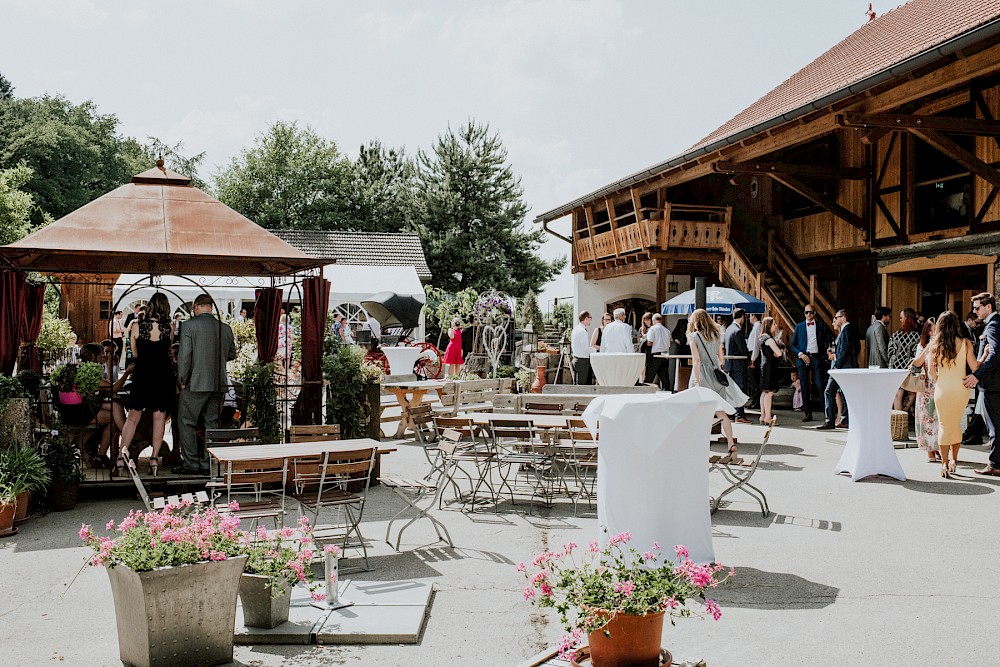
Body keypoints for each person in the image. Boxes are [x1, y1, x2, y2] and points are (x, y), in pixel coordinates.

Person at [176, 293, 237, 475]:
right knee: (212, 423)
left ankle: (191, 463)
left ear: (196, 307)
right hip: (219, 383)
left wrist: (182, 380)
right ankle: (207, 462)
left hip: (195, 383)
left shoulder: (188, 326)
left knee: (186, 421)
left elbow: (185, 356)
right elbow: (232, 354)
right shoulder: (225, 328)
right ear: (210, 307)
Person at [116, 292, 174, 477]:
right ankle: (154, 459)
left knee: (133, 417)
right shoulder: (169, 327)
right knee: (159, 417)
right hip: (162, 374)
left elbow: (135, 353)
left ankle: (120, 457)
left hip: (143, 373)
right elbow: (167, 350)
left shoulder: (136, 326)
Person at [688, 308, 747, 459]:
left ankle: (701, 448)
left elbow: (697, 360)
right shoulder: (716, 335)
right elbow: (721, 359)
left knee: (701, 413)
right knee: (721, 413)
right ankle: (730, 444)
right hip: (716, 375)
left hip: (702, 376)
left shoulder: (693, 337)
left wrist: (696, 380)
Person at [932, 311, 983, 478]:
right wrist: (985, 355)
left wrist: (941, 379)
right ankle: (954, 460)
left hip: (942, 388)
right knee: (956, 424)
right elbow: (975, 367)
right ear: (956, 325)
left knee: (944, 425)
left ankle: (944, 464)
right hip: (960, 389)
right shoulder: (966, 343)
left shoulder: (935, 344)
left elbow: (932, 372)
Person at [964, 292, 1000, 476]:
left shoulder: (993, 327)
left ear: (988, 307)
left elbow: (994, 356)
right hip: (994, 384)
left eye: (977, 308)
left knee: (994, 426)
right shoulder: (994, 325)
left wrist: (977, 376)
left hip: (993, 385)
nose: (975, 311)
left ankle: (995, 464)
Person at [790, 304, 830, 422]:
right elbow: (792, 345)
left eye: (811, 312)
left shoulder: (821, 326)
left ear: (815, 313)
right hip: (803, 357)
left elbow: (828, 340)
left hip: (816, 357)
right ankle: (808, 413)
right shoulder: (799, 326)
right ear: (804, 313)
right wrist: (801, 354)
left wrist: (824, 356)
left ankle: (827, 413)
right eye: (807, 312)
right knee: (804, 386)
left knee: (819, 385)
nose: (809, 315)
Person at [818, 309, 857, 430]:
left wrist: (836, 366)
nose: (834, 319)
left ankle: (829, 420)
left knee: (829, 391)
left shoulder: (846, 330)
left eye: (837, 317)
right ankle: (844, 418)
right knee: (845, 393)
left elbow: (844, 350)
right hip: (845, 366)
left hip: (842, 367)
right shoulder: (848, 330)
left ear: (843, 318)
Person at [911, 318, 940, 462]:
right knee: (927, 417)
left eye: (935, 329)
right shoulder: (922, 345)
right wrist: (928, 347)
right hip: (926, 386)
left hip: (939, 384)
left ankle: (938, 447)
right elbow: (916, 363)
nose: (933, 332)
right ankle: (930, 449)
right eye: (930, 329)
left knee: (938, 418)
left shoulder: (942, 344)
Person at [889, 308, 920, 411]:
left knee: (897, 395)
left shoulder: (895, 335)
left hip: (895, 368)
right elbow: (917, 354)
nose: (900, 320)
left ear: (907, 319)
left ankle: (898, 419)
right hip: (908, 368)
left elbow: (889, 351)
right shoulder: (916, 336)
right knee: (913, 392)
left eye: (901, 318)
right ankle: (904, 413)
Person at [724, 308, 751, 423]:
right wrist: (749, 359)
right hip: (738, 364)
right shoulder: (737, 331)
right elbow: (742, 349)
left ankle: (732, 413)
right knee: (740, 388)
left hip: (730, 364)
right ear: (742, 317)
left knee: (733, 389)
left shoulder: (729, 329)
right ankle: (739, 415)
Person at [758, 317, 783, 425]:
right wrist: (778, 351)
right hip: (770, 367)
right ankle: (768, 416)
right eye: (774, 324)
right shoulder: (769, 339)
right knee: (769, 392)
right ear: (769, 325)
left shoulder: (762, 337)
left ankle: (763, 415)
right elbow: (779, 353)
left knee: (764, 392)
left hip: (764, 365)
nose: (776, 325)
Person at [644, 314, 671, 389]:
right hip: (665, 355)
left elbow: (650, 342)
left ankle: (646, 393)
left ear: (653, 320)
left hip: (655, 356)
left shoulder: (652, 329)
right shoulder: (667, 330)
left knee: (649, 378)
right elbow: (668, 344)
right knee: (665, 378)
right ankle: (667, 393)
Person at [571, 311, 595, 385]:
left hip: (576, 359)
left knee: (577, 385)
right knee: (582, 386)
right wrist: (595, 351)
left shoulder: (575, 329)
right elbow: (585, 349)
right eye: (590, 318)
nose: (591, 320)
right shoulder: (582, 331)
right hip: (582, 361)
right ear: (586, 318)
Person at [746, 313, 762, 409]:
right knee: (753, 379)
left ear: (754, 316)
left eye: (750, 316)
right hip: (752, 354)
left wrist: (753, 359)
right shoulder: (755, 327)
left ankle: (756, 401)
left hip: (754, 355)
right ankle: (755, 400)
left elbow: (756, 344)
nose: (749, 318)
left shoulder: (758, 327)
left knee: (755, 380)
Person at [639, 312, 654, 382]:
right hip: (643, 350)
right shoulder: (642, 329)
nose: (646, 322)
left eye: (648, 320)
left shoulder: (654, 328)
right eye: (645, 320)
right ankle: (642, 379)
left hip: (651, 350)